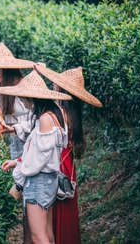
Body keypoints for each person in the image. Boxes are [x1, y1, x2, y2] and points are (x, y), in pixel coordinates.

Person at [0, 70, 72, 244]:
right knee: (47, 234)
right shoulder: (56, 113)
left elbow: (37, 161)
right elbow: (40, 153)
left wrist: (20, 172)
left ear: (31, 97)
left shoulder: (45, 119)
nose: (23, 101)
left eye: (24, 97)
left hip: (38, 181)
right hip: (48, 180)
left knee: (39, 237)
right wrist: (17, 162)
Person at [35, 65, 102, 244]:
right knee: (67, 210)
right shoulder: (74, 113)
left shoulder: (59, 113)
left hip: (56, 162)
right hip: (68, 165)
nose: (54, 86)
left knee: (54, 212)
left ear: (61, 89)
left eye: (57, 84)